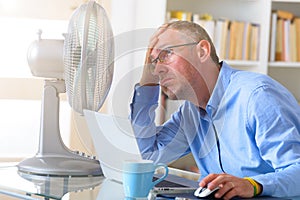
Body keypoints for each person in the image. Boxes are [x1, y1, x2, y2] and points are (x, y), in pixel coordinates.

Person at [129, 20, 300, 199]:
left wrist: (253, 184)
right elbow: (149, 155)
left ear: (202, 51)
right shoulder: (189, 112)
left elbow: (296, 169)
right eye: (153, 62)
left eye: (166, 54)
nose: (157, 69)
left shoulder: (257, 96)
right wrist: (147, 83)